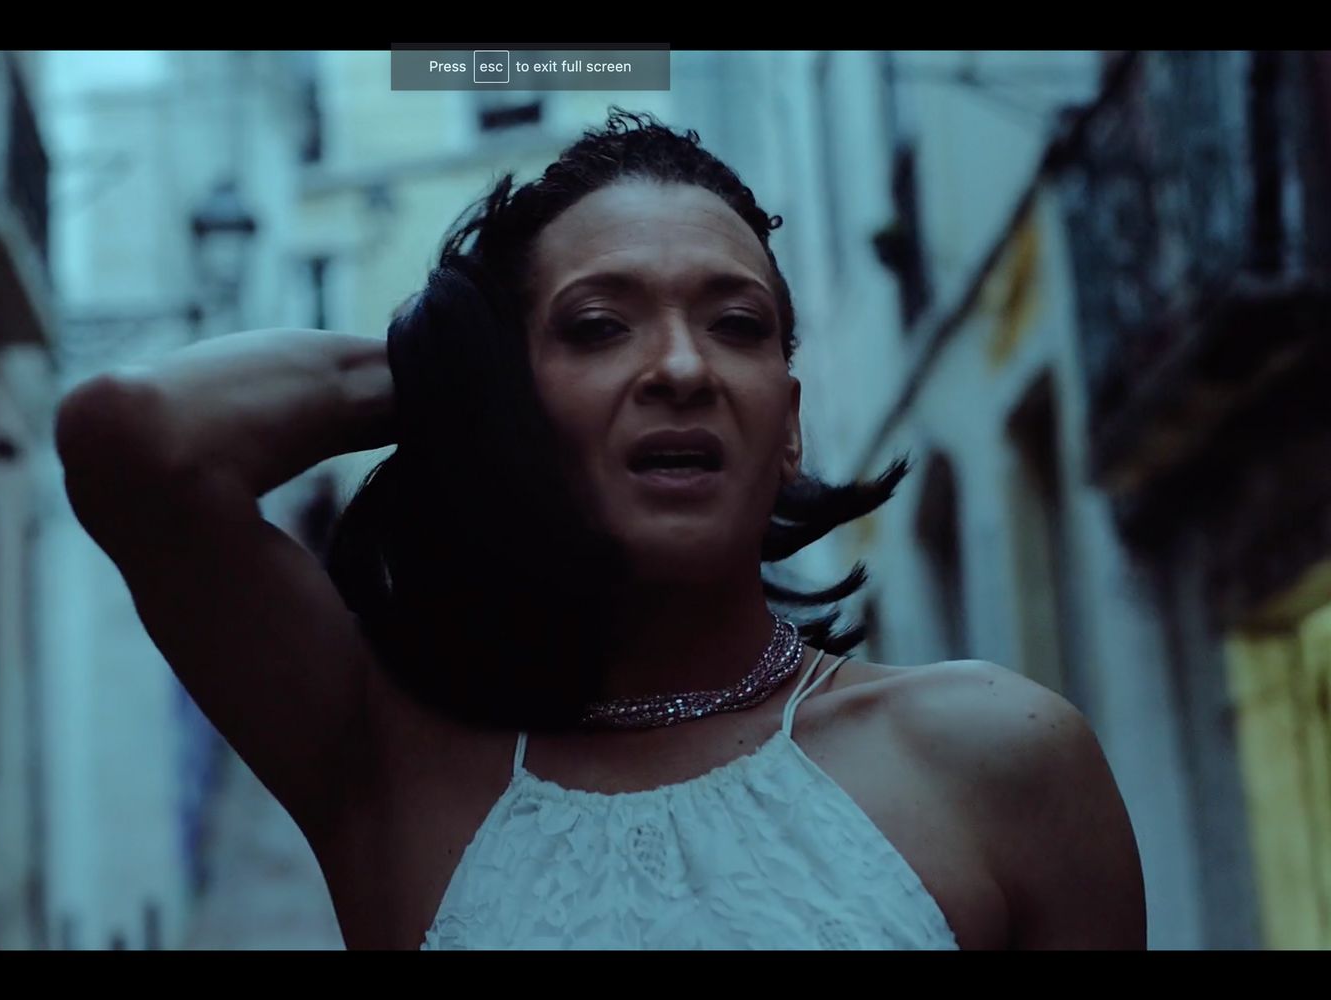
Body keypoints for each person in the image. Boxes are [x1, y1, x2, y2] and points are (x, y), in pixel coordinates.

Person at [55, 110, 1146, 950]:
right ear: (507, 402)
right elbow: (136, 437)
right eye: (596, 326)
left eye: (735, 325)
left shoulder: (999, 755)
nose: (680, 368)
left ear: (790, 425)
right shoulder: (391, 766)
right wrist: (455, 370)